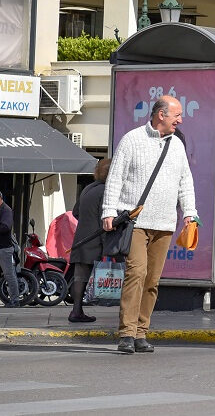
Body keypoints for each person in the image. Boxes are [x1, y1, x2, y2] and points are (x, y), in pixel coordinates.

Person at [101, 95, 197, 354]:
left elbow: (185, 181)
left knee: (152, 281)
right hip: (136, 222)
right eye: (176, 114)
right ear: (160, 115)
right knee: (136, 274)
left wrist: (190, 213)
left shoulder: (176, 145)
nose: (180, 119)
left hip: (165, 223)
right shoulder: (132, 140)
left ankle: (141, 332)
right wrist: (108, 211)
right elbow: (115, 178)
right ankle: (126, 333)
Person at [68, 157, 111, 322]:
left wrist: (88, 222)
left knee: (80, 276)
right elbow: (107, 218)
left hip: (81, 238)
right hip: (98, 239)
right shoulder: (107, 191)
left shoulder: (88, 188)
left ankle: (76, 311)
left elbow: (75, 212)